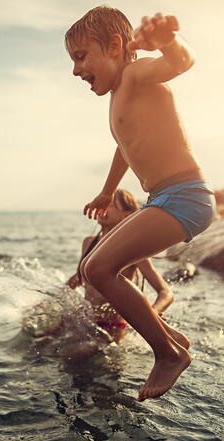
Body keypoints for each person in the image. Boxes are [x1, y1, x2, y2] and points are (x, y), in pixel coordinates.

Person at [65, 7, 216, 401]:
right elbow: (124, 149)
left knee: (97, 267)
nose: (76, 70)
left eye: (81, 57)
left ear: (115, 46)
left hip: (185, 196)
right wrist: (106, 190)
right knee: (93, 264)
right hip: (166, 197)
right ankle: (166, 335)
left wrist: (166, 40)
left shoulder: (134, 74)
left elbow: (181, 61)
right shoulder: (119, 97)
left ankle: (167, 354)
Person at [67, 189, 174, 344]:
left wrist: (153, 314)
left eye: (110, 205)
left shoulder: (132, 248)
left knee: (81, 357)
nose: (103, 207)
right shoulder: (89, 243)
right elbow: (79, 279)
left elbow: (166, 292)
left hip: (114, 325)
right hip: (86, 321)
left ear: (127, 215)